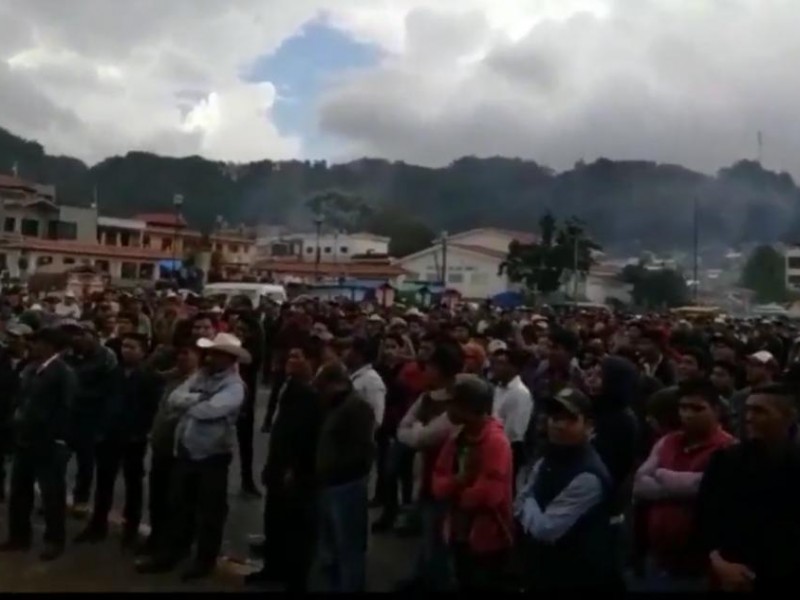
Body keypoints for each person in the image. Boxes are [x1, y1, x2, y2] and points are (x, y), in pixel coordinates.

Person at [137, 332, 248, 580]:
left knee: (210, 512)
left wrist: (191, 403)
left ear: (229, 359)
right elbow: (175, 399)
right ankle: (173, 553)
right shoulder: (202, 376)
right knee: (179, 507)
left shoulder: (234, 386)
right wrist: (198, 399)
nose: (211, 357)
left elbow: (211, 411)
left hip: (213, 456)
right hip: (186, 451)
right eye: (211, 353)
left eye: (217, 354)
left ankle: (204, 561)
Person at [632, 379, 735, 591]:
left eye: (697, 408)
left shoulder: (729, 449)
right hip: (657, 558)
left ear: (716, 410)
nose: (687, 414)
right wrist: (682, 487)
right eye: (683, 407)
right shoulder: (668, 441)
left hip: (699, 566)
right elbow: (640, 484)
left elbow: (706, 488)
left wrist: (661, 475)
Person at [697, 383, 800, 591]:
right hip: (731, 573)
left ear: (789, 416)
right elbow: (705, 516)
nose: (749, 417)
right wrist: (717, 561)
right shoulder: (725, 461)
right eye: (748, 410)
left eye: (760, 411)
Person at [514, 387, 618, 591]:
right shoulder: (548, 458)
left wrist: (528, 501)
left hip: (573, 576)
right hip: (540, 570)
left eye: (569, 419)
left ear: (588, 426)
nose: (558, 424)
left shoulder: (588, 475)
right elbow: (517, 502)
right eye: (554, 417)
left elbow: (546, 529)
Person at [75, 332, 163, 547]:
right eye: (124, 346)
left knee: (133, 484)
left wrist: (141, 432)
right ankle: (98, 525)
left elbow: (151, 409)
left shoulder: (149, 377)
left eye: (132, 347)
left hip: (133, 438)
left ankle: (130, 528)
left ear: (144, 351)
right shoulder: (114, 373)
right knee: (104, 481)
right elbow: (104, 400)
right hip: (109, 435)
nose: (126, 350)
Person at [246, 345, 321, 591]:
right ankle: (272, 568)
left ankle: (294, 578)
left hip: (294, 471)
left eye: (297, 357)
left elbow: (305, 436)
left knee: (294, 527)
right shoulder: (287, 386)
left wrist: (293, 468)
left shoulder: (309, 394)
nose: (291, 360)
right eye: (289, 355)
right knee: (274, 520)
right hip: (278, 463)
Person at [0, 327, 76, 561]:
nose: (32, 346)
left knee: (51, 494)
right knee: (20, 492)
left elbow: (68, 408)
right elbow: (21, 399)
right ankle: (19, 537)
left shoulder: (63, 372)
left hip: (48, 442)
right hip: (25, 439)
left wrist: (58, 438)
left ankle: (55, 540)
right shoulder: (31, 368)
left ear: (50, 346)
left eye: (38, 342)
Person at [432, 374, 514, 591]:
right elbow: (438, 483)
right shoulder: (457, 435)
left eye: (451, 403)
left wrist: (456, 491)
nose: (447, 409)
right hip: (459, 533)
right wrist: (459, 481)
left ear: (467, 407)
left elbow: (489, 496)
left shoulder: (496, 442)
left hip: (488, 540)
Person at [396, 341, 464, 591]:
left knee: (438, 539)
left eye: (431, 366)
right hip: (425, 474)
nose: (425, 370)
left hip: (444, 480)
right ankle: (420, 577)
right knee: (428, 534)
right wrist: (417, 431)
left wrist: (417, 431)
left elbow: (420, 437)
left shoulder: (457, 403)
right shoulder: (427, 398)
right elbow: (403, 430)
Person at [314, 362, 376, 593]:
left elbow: (363, 451)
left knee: (348, 546)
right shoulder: (335, 405)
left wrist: (338, 469)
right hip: (330, 484)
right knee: (332, 545)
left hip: (347, 486)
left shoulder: (357, 408)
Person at [143, 343, 202, 556]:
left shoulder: (199, 383)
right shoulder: (171, 377)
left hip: (181, 451)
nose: (182, 358)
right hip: (161, 445)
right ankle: (156, 537)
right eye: (180, 354)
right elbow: (149, 375)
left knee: (176, 501)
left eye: (187, 353)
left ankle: (173, 545)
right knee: (157, 497)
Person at [60, 320, 117, 515]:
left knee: (86, 462)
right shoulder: (67, 354)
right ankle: (55, 498)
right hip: (68, 415)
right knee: (59, 459)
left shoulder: (107, 356)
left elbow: (111, 391)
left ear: (93, 335)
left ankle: (80, 500)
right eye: (74, 334)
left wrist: (104, 424)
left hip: (91, 416)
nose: (77, 338)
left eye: (82, 333)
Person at [490, 348, 534, 484]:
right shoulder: (498, 388)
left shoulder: (520, 393)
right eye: (495, 363)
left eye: (501, 364)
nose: (495, 367)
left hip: (509, 450)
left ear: (514, 368)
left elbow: (515, 433)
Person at [0, 322, 32, 500]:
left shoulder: (33, 363)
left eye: (16, 337)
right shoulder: (2, 358)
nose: (11, 340)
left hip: (22, 417)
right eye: (9, 336)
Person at [729, 350, 776, 438]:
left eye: (754, 365)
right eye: (748, 365)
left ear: (769, 370)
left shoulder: (779, 397)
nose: (749, 368)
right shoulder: (740, 396)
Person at [346, 336, 387, 430]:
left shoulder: (372, 380)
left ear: (358, 355)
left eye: (349, 349)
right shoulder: (348, 375)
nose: (345, 353)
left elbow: (376, 419)